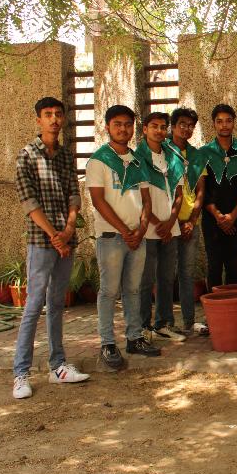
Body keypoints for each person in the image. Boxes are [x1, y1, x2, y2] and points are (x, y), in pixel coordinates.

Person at [11, 96, 89, 399]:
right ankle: (21, 373)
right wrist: (54, 235)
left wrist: (68, 230)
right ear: (38, 120)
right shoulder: (27, 156)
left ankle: (58, 366)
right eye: (48, 114)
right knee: (33, 306)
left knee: (57, 304)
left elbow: (74, 194)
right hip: (41, 242)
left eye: (58, 114)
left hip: (64, 240)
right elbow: (29, 202)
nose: (54, 119)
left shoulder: (66, 156)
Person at [86, 105, 157, 371]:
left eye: (128, 124)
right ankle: (107, 343)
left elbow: (146, 200)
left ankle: (134, 337)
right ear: (107, 127)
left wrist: (139, 230)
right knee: (108, 291)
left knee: (134, 290)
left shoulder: (138, 161)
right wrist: (125, 231)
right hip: (112, 237)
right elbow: (98, 200)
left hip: (137, 238)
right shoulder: (98, 160)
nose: (123, 129)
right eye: (117, 124)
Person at [134, 111, 185, 343]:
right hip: (149, 228)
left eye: (163, 127)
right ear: (144, 129)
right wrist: (157, 224)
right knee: (146, 280)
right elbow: (139, 198)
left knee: (166, 278)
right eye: (154, 126)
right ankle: (143, 325)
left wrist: (171, 221)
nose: (159, 131)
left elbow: (179, 194)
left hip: (170, 228)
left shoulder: (173, 156)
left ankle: (163, 323)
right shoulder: (136, 158)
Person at [200, 104, 237, 290]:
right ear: (213, 124)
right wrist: (218, 216)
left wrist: (233, 216)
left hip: (236, 218)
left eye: (228, 121)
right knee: (214, 266)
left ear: (234, 123)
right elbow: (202, 190)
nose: (224, 125)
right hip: (211, 218)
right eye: (219, 121)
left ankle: (235, 312)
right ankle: (213, 315)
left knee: (233, 266)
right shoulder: (204, 153)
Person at [168, 107, 209, 336]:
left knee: (187, 273)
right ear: (173, 126)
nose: (186, 128)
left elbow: (201, 190)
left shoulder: (196, 155)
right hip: (166, 224)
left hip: (189, 223)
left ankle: (188, 321)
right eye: (182, 124)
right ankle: (163, 323)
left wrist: (192, 220)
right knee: (164, 275)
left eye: (191, 125)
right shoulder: (163, 152)